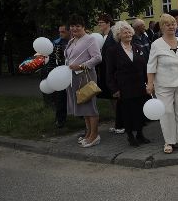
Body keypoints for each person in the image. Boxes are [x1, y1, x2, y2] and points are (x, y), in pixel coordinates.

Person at [147, 13, 178, 154]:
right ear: (162, 27)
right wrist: (150, 83)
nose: (171, 26)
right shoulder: (156, 44)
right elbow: (151, 66)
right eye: (167, 24)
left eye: (173, 23)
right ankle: (169, 141)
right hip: (163, 84)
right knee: (167, 113)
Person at [106, 21, 150, 147]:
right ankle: (130, 136)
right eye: (124, 32)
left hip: (140, 85)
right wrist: (114, 89)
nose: (128, 34)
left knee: (140, 110)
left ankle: (140, 134)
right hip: (124, 87)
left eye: (129, 31)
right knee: (128, 112)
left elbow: (144, 67)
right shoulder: (112, 50)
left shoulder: (138, 47)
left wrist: (148, 83)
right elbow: (109, 72)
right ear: (118, 35)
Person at [64, 15, 102, 147]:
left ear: (83, 27)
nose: (74, 28)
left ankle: (94, 135)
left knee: (90, 106)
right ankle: (88, 133)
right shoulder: (72, 40)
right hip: (73, 77)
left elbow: (97, 57)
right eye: (72, 26)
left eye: (78, 26)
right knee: (82, 106)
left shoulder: (90, 39)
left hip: (85, 76)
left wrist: (81, 66)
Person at [96, 13, 124, 135]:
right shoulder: (103, 36)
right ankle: (118, 123)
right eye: (99, 22)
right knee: (111, 99)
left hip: (112, 72)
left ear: (108, 23)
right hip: (105, 72)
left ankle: (121, 124)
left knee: (116, 99)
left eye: (101, 22)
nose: (99, 25)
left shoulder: (112, 36)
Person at [47, 24, 70, 128]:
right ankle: (60, 120)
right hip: (61, 75)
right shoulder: (56, 43)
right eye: (59, 32)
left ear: (69, 31)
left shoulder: (74, 42)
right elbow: (52, 60)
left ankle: (83, 117)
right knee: (60, 97)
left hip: (74, 73)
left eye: (63, 32)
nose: (60, 34)